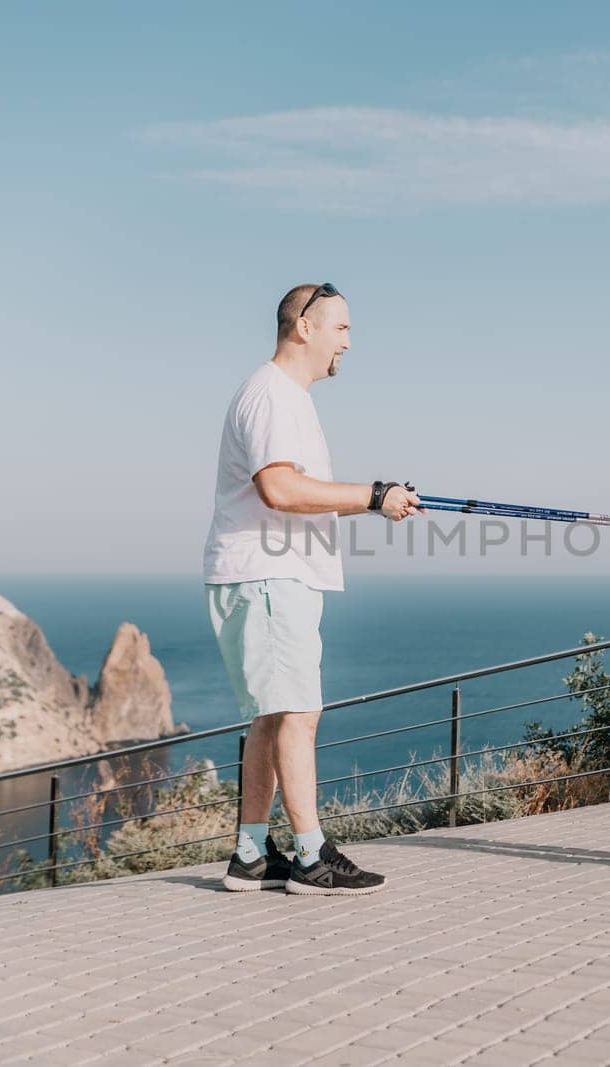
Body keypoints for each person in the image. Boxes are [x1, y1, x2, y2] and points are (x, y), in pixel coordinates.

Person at [203, 282, 422, 896]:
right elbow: (280, 489)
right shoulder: (273, 395)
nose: (349, 343)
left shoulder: (283, 396)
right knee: (298, 714)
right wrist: (373, 497)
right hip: (269, 577)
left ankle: (251, 854)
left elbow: (298, 493)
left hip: (267, 576)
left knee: (272, 719)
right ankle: (310, 856)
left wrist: (378, 501)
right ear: (304, 327)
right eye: (342, 328)